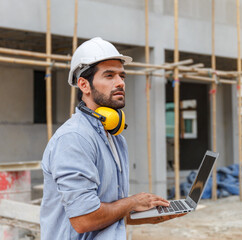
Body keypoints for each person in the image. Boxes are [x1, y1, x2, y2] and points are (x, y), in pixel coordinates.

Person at [40, 37, 182, 240]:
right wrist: (133, 202)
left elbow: (109, 211)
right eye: (109, 76)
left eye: (122, 76)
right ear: (84, 85)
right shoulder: (74, 139)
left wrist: (148, 214)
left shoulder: (115, 138)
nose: (120, 83)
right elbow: (84, 219)